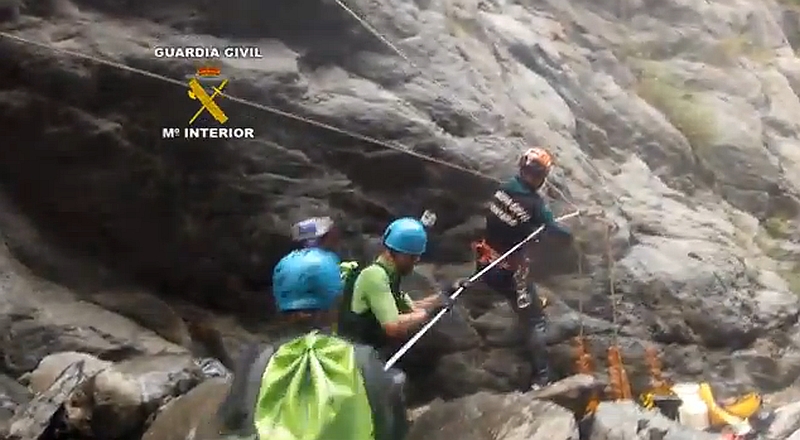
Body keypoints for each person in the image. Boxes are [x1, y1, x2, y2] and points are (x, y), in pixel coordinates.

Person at [215, 247, 409, 440]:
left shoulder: (255, 360)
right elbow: (390, 431)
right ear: (336, 301)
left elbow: (229, 422)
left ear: (280, 303)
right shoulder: (364, 360)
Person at [473, 147, 573, 389]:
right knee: (536, 321)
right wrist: (569, 231)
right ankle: (542, 377)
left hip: (484, 262)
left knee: (519, 294)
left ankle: (505, 303)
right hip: (507, 273)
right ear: (542, 177)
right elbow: (557, 231)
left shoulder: (504, 187)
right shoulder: (535, 205)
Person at [338, 217, 451, 356]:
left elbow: (411, 308)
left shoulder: (391, 273)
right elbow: (392, 326)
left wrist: (442, 296)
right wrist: (428, 314)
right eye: (412, 257)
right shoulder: (375, 275)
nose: (416, 261)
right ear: (395, 253)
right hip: (356, 352)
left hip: (373, 347)